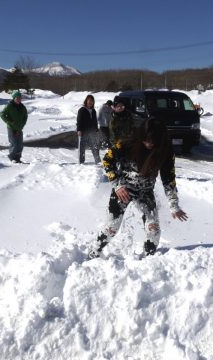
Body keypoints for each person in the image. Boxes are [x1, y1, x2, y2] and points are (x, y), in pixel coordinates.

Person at [88, 117, 188, 259]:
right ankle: (93, 254)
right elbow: (107, 160)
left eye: (153, 141)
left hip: (145, 192)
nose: (148, 143)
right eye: (145, 139)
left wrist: (173, 205)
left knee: (153, 230)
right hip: (123, 190)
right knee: (111, 228)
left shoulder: (166, 152)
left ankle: (149, 262)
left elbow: (169, 179)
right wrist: (117, 184)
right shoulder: (126, 142)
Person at [0, 90, 28, 163]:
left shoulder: (22, 107)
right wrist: (9, 122)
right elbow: (2, 114)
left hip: (19, 128)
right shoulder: (10, 105)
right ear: (14, 98)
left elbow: (25, 116)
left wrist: (23, 124)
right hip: (11, 128)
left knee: (20, 144)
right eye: (17, 98)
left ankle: (18, 158)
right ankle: (12, 158)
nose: (19, 99)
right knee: (14, 143)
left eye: (20, 98)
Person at [76, 94, 101, 164]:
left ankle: (98, 161)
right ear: (86, 101)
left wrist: (96, 129)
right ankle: (81, 162)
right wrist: (79, 130)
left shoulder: (93, 111)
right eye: (89, 100)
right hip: (83, 132)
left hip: (92, 132)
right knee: (82, 149)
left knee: (95, 147)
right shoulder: (82, 110)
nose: (90, 102)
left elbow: (95, 121)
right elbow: (79, 120)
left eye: (92, 101)